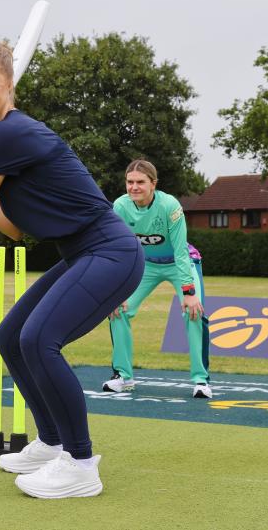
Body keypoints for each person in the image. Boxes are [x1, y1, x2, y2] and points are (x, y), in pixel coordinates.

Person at [0, 41, 144, 499]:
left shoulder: (10, 134)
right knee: (11, 337)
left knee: (38, 340)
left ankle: (81, 464)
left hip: (110, 251)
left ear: (8, 84)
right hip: (83, 252)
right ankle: (51, 442)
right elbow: (12, 228)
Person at [104, 160, 211, 398]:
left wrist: (189, 293)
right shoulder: (120, 206)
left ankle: (201, 381)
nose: (134, 187)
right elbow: (118, 249)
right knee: (117, 310)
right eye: (130, 182)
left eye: (140, 182)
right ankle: (123, 376)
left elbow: (181, 251)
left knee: (194, 312)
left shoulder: (169, 205)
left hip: (180, 263)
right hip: (145, 266)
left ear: (153, 184)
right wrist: (116, 290)